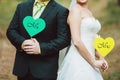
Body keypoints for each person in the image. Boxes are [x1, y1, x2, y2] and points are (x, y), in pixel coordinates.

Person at [6, 0, 71, 80]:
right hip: (23, 68)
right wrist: (22, 43)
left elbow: (64, 39)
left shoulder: (61, 11)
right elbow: (11, 30)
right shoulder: (22, 7)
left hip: (45, 69)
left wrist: (41, 48)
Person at [57, 0, 109, 80]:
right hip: (78, 60)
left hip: (89, 58)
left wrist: (101, 57)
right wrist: (93, 62)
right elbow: (77, 41)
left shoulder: (88, 12)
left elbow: (91, 39)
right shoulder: (75, 11)